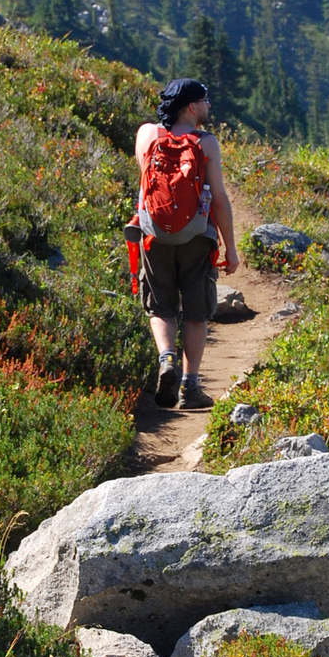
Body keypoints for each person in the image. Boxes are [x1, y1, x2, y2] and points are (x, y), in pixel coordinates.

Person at [134, 77, 239, 409]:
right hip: (197, 236)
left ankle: (166, 358)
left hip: (153, 235)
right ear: (192, 107)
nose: (208, 107)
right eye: (205, 101)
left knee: (160, 306)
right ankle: (190, 387)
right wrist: (230, 247)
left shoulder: (146, 135)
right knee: (196, 312)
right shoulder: (206, 143)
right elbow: (219, 200)